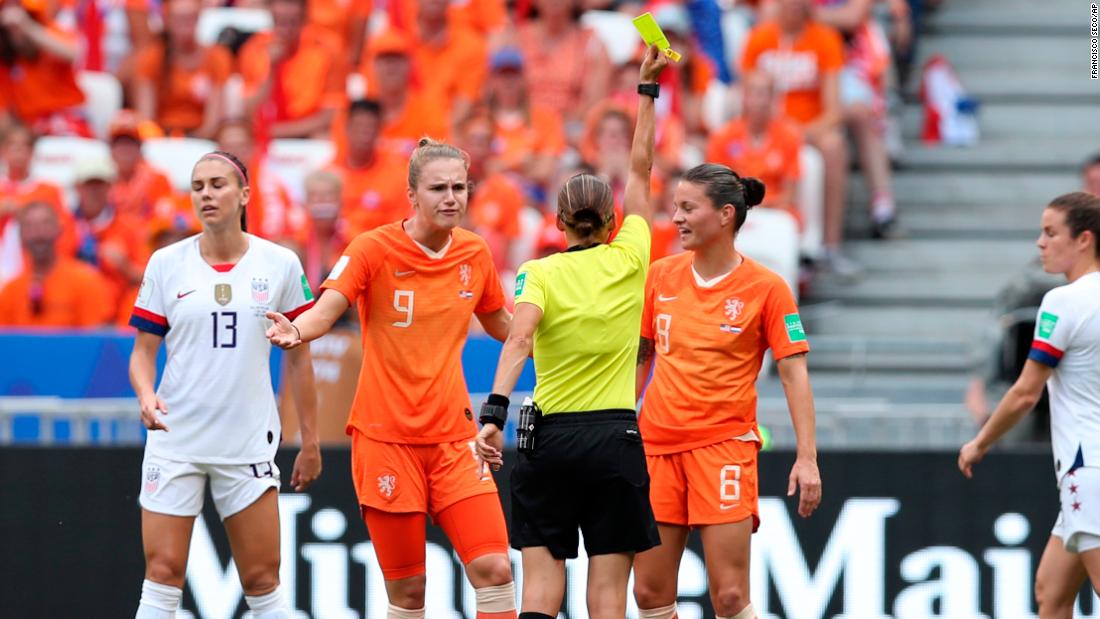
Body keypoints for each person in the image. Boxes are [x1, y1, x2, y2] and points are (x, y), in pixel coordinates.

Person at [266, 139, 518, 619]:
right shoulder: (373, 248)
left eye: (459, 188)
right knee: (409, 592)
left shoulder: (475, 253)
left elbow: (504, 328)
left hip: (455, 440)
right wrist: (297, 329)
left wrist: (561, 333)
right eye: (438, 188)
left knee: (494, 569)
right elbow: (327, 310)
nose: (451, 198)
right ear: (412, 194)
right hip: (386, 441)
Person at [474, 45, 669, 619]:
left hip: (548, 439)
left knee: (539, 591)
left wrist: (492, 414)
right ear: (612, 221)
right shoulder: (632, 255)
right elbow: (640, 167)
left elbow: (519, 339)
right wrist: (646, 91)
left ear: (557, 222)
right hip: (614, 439)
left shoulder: (540, 271)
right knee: (607, 595)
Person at [128, 150, 321, 619]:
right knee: (163, 571)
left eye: (218, 184)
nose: (207, 194)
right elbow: (143, 353)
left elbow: (299, 358)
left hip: (247, 441)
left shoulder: (278, 263)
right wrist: (146, 395)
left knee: (262, 580)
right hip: (176, 441)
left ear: (245, 195)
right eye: (198, 186)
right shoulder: (166, 263)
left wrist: (310, 441)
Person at [631, 163, 822, 619]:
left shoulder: (767, 288)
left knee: (731, 597)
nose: (675, 218)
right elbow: (641, 359)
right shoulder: (660, 276)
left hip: (723, 449)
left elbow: (795, 375)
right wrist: (616, 425)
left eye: (687, 208)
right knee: (650, 596)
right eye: (675, 207)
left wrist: (807, 457)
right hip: (656, 447)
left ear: (724, 215)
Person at [958, 192, 1100, 618]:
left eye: (1051, 232)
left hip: (1088, 469)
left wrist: (980, 442)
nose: (1040, 242)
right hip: (1086, 475)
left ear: (1084, 240)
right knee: (1050, 593)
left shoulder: (1063, 302)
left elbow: (1025, 392)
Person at [741, 0, 857, 275]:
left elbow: (834, 110)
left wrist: (798, 134)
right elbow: (745, 94)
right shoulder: (760, 38)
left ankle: (829, 245)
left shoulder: (824, 38)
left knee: (834, 145)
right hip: (765, 126)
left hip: (808, 128)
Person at [0, 200, 111, 327]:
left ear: (59, 229)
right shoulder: (10, 291)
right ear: (20, 235)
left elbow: (96, 339)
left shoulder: (86, 281)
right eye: (30, 226)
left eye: (45, 224)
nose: (38, 233)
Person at [133, 0, 233, 139]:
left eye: (190, 18)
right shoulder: (152, 57)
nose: (185, 25)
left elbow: (213, 121)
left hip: (201, 138)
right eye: (178, 19)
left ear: (198, 18)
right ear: (167, 21)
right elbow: (146, 118)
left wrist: (193, 140)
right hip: (162, 136)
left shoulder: (217, 56)